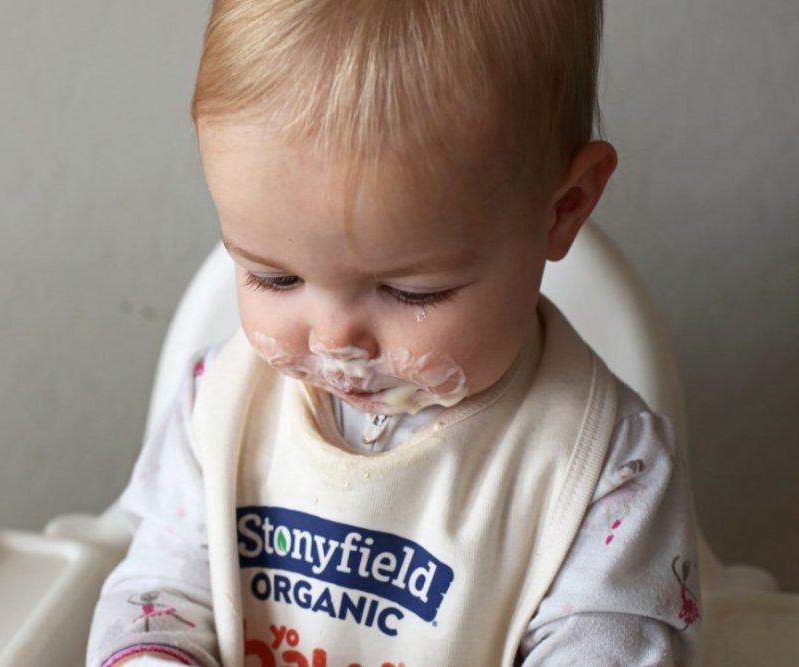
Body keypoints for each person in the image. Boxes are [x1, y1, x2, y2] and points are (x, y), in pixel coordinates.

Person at [87, 1, 701, 665]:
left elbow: (606, 641)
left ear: (563, 207)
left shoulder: (604, 470)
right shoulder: (218, 409)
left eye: (413, 293)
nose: (332, 339)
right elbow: (159, 589)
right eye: (273, 278)